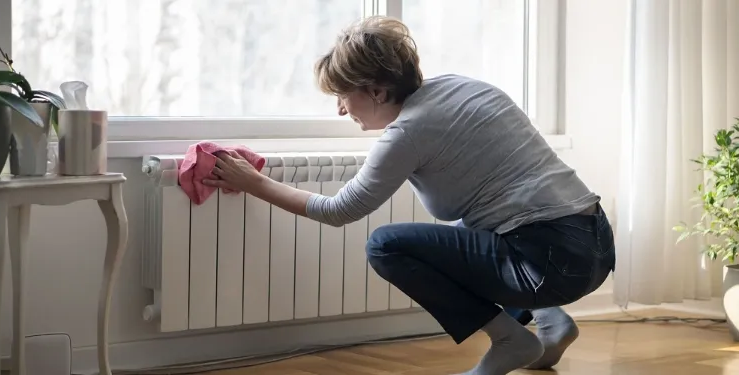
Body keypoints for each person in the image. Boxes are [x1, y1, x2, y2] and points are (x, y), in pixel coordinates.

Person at [204, 15, 615, 375]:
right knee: (464, 228)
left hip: (549, 262)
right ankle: (551, 321)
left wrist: (253, 183)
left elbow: (339, 210)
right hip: (594, 243)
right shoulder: (462, 88)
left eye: (343, 96)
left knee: (386, 246)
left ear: (378, 92)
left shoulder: (408, 133)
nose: (341, 110)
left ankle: (511, 340)